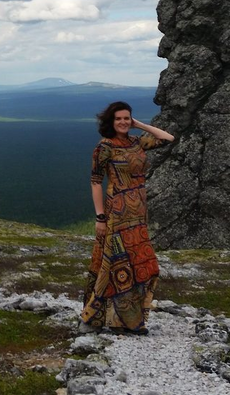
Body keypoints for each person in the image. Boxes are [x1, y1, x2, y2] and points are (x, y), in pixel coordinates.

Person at [79, 101, 173, 335]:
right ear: (110, 121)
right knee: (115, 264)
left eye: (126, 118)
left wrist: (139, 124)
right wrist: (100, 217)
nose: (123, 122)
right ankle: (95, 317)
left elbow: (168, 138)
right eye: (118, 118)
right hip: (117, 212)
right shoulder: (105, 147)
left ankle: (129, 320)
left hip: (139, 213)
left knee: (141, 265)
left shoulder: (137, 142)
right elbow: (95, 182)